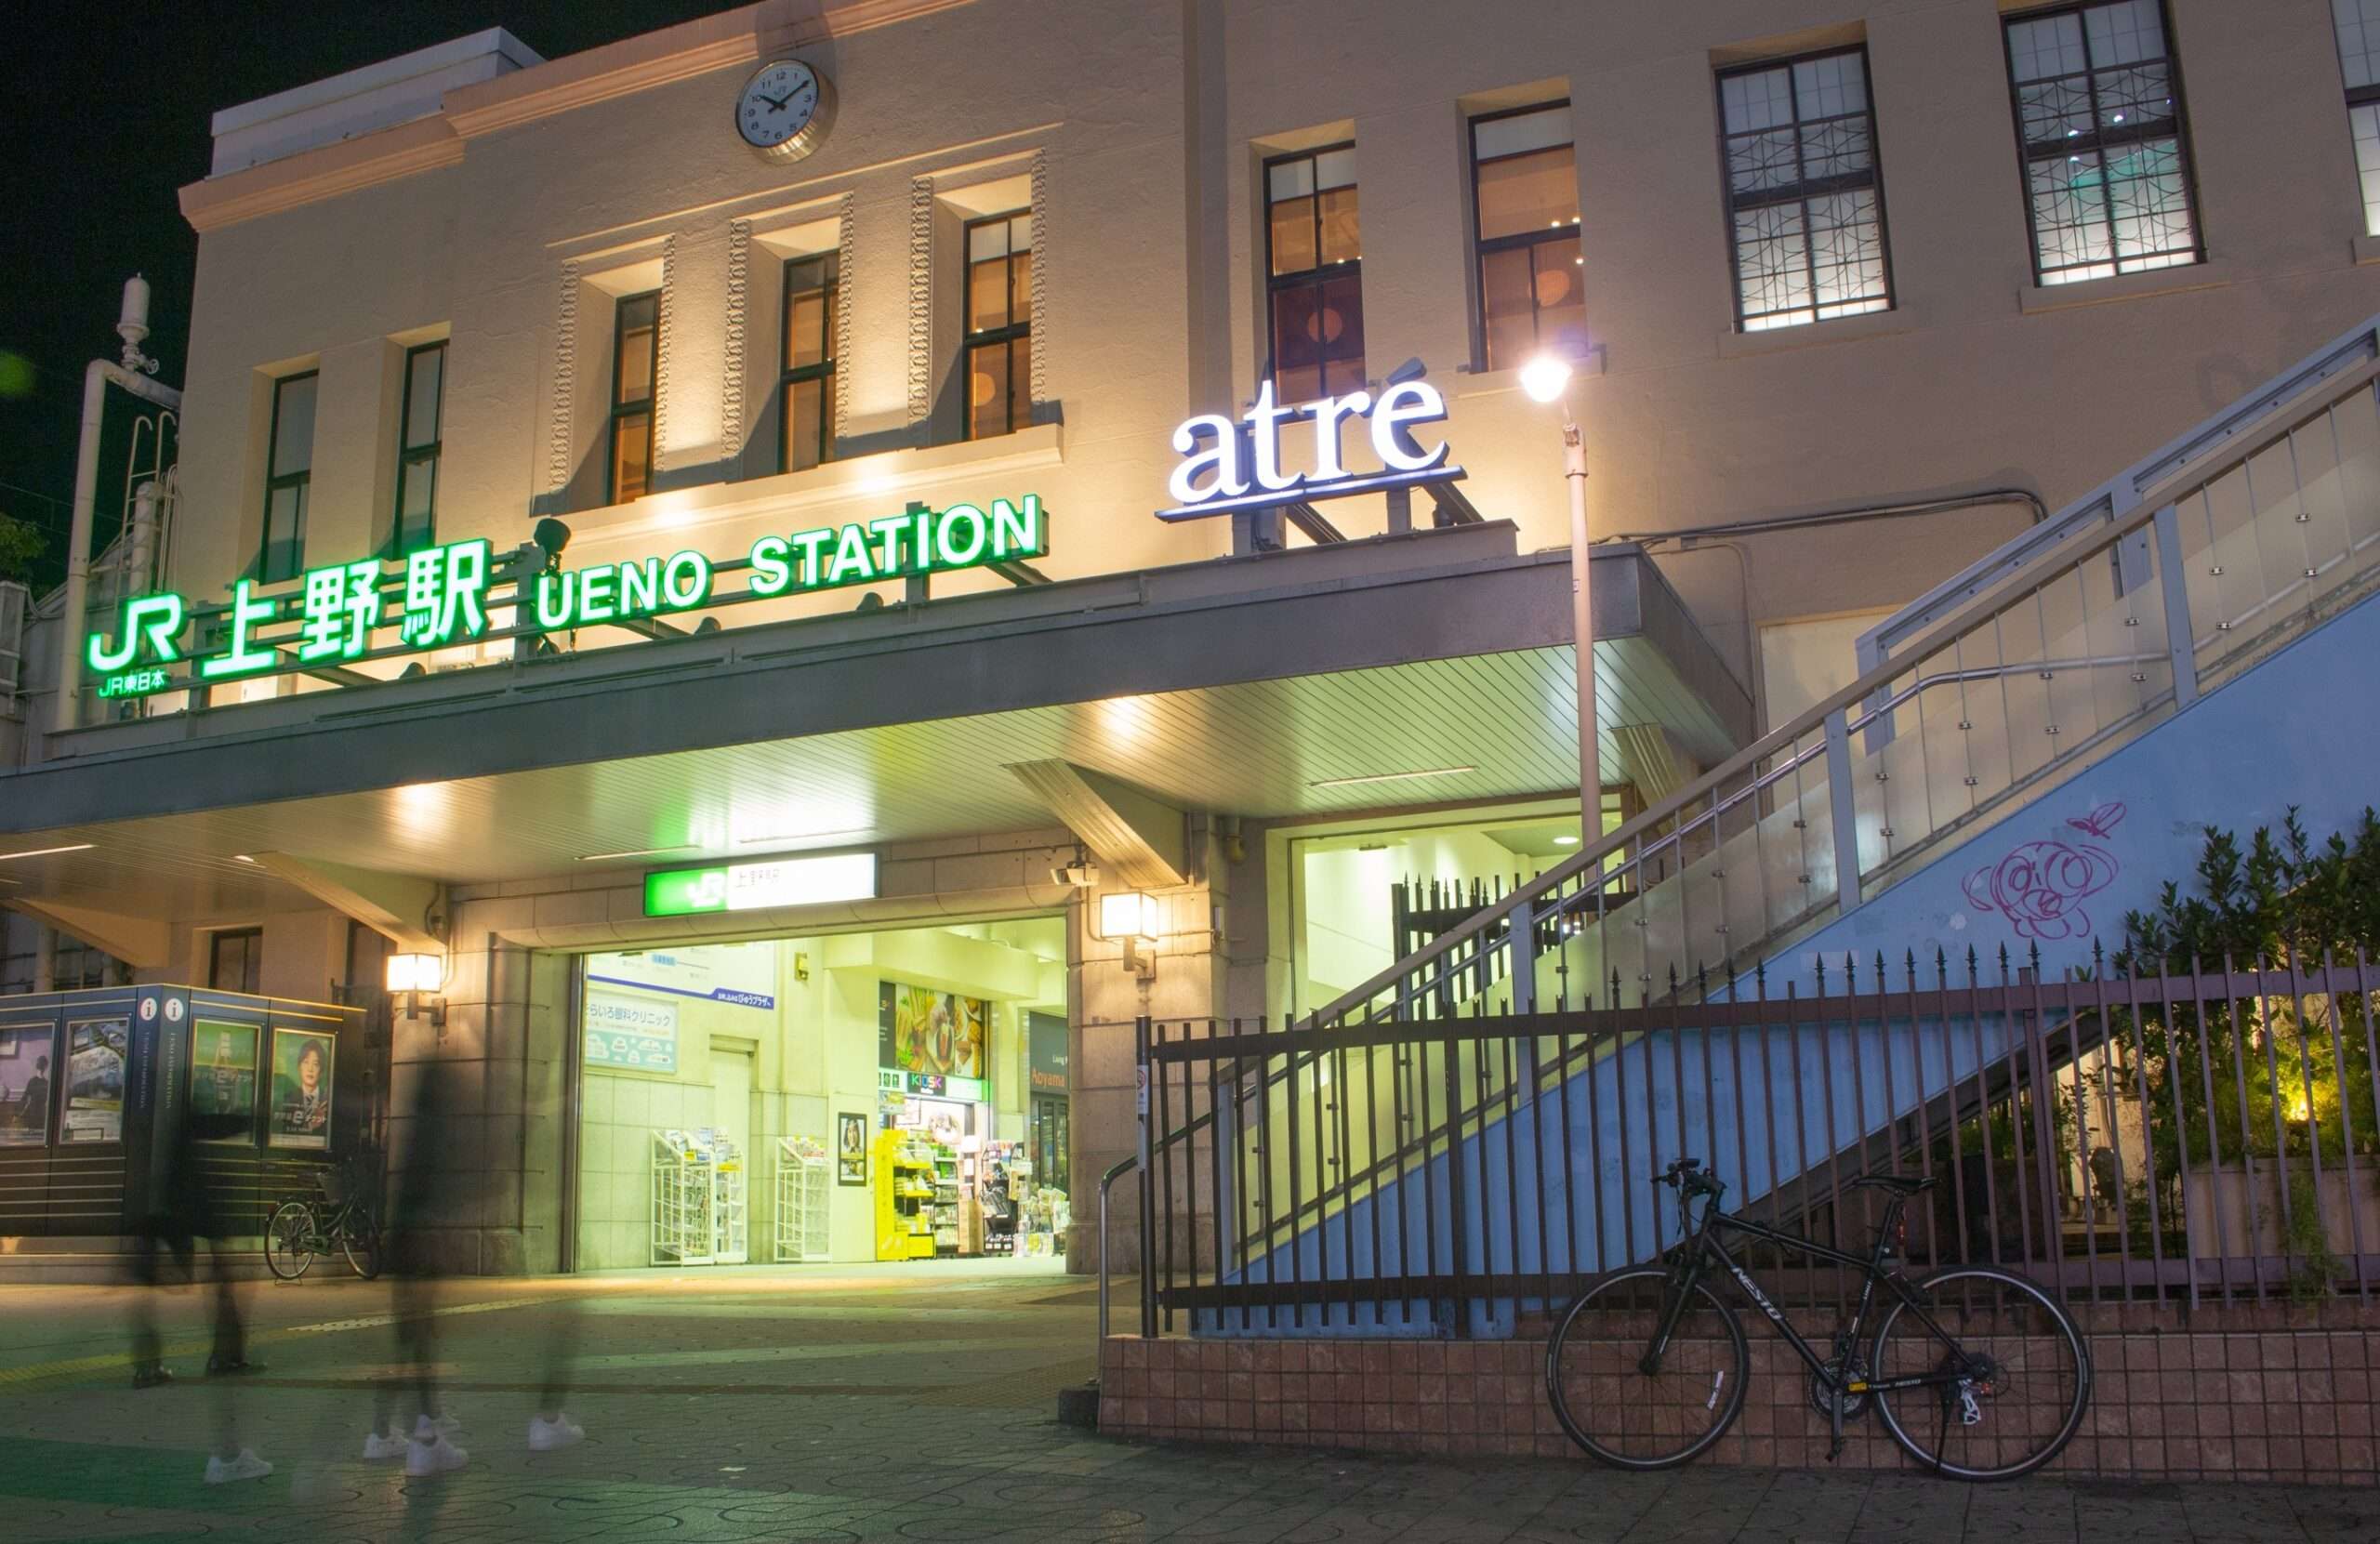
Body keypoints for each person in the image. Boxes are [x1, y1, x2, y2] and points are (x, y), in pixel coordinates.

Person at [127, 1102, 271, 1485]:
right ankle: (227, 1448)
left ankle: (148, 1367)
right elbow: (213, 1125)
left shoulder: (168, 1147)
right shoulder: (188, 1139)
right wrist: (251, 1118)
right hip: (189, 1216)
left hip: (164, 1217)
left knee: (147, 1295)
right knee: (224, 1291)